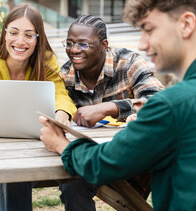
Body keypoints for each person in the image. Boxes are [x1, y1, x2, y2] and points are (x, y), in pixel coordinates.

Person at [39, 0, 196, 210]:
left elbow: (104, 163)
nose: (143, 44)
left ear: (186, 24)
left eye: (149, 29)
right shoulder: (65, 75)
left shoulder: (171, 105)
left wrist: (60, 144)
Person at [0, 3, 77, 211]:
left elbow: (60, 95)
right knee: (9, 177)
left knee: (13, 177)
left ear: (38, 38)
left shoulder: (46, 64)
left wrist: (61, 113)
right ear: (5, 34)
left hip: (34, 149)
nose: (20, 41)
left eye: (29, 35)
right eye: (13, 32)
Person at [57, 14, 164, 210]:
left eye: (83, 44)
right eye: (70, 43)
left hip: (134, 155)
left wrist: (111, 107)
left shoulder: (129, 63)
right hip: (93, 157)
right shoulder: (64, 76)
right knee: (72, 183)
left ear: (103, 44)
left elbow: (159, 101)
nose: (73, 50)